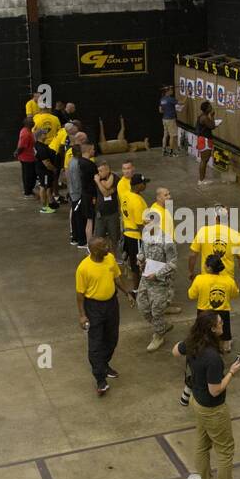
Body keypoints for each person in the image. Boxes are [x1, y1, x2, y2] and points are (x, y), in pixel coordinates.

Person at [173, 312, 240, 479]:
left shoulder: (192, 343)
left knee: (202, 444)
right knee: (225, 452)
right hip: (213, 409)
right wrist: (232, 372)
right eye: (219, 323)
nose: (222, 323)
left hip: (196, 402)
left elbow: (175, 351)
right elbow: (215, 390)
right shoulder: (213, 358)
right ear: (212, 329)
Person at [76, 237, 126, 396]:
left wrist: (127, 293)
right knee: (96, 342)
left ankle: (103, 364)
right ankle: (100, 379)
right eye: (104, 246)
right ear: (95, 251)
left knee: (112, 338)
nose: (107, 247)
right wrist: (82, 315)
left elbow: (116, 278)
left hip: (111, 304)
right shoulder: (83, 268)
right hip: (94, 307)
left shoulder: (110, 258)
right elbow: (80, 294)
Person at [139, 209, 179, 351]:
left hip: (160, 281)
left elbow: (173, 264)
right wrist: (140, 259)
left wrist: (157, 274)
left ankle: (159, 335)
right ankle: (161, 325)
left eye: (148, 223)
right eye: (144, 223)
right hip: (146, 277)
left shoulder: (166, 241)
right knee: (142, 306)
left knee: (157, 310)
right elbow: (142, 251)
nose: (145, 226)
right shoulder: (144, 234)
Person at [189, 254, 240, 354]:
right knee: (223, 332)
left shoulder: (199, 279)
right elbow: (235, 294)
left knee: (202, 332)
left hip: (204, 312)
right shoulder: (229, 280)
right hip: (222, 312)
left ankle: (204, 349)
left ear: (208, 267)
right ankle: (225, 347)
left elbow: (191, 295)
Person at [188, 205, 240, 290]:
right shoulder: (236, 235)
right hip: (227, 280)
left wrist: (191, 272)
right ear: (228, 218)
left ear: (216, 218)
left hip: (207, 278)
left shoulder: (203, 232)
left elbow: (193, 255)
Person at [119, 172, 150, 286]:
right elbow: (140, 225)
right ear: (137, 186)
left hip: (127, 233)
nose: (145, 185)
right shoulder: (136, 201)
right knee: (138, 264)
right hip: (136, 236)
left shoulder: (126, 195)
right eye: (143, 183)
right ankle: (137, 288)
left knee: (133, 262)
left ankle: (137, 287)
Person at [67, 144, 96, 248]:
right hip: (78, 195)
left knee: (76, 216)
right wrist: (80, 196)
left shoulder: (71, 162)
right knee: (79, 218)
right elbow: (77, 181)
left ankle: (75, 238)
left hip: (74, 193)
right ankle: (81, 240)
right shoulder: (77, 164)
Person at [94, 161, 123, 253]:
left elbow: (106, 193)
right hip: (100, 214)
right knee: (99, 237)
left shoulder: (115, 179)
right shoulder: (98, 178)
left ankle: (113, 255)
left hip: (112, 213)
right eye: (98, 171)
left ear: (108, 170)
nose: (99, 173)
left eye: (101, 171)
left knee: (114, 237)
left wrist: (98, 182)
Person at [34, 128, 59, 214]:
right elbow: (47, 163)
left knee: (45, 187)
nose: (46, 135)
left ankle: (50, 203)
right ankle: (45, 207)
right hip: (44, 172)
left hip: (41, 170)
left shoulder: (37, 145)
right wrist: (54, 169)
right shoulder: (41, 148)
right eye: (45, 134)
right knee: (44, 187)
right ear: (40, 136)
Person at [196, 101, 217, 186]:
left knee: (205, 160)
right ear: (206, 108)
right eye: (210, 106)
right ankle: (201, 180)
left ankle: (202, 179)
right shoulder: (204, 117)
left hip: (204, 139)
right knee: (204, 160)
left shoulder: (203, 116)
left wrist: (211, 117)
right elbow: (212, 126)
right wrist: (212, 116)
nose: (211, 107)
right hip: (204, 140)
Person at [15, 117, 37, 199]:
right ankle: (28, 193)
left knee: (28, 175)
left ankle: (28, 190)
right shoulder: (26, 134)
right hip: (27, 158)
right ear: (27, 124)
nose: (33, 122)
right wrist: (17, 152)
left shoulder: (25, 130)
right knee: (29, 176)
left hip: (28, 157)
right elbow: (21, 146)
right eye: (32, 122)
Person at [159, 86, 180, 157]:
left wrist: (167, 110)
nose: (172, 91)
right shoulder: (171, 99)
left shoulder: (162, 99)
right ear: (167, 91)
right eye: (171, 90)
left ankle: (164, 150)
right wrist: (187, 95)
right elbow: (182, 102)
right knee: (172, 136)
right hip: (170, 120)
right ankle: (171, 152)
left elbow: (160, 110)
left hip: (164, 119)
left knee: (165, 135)